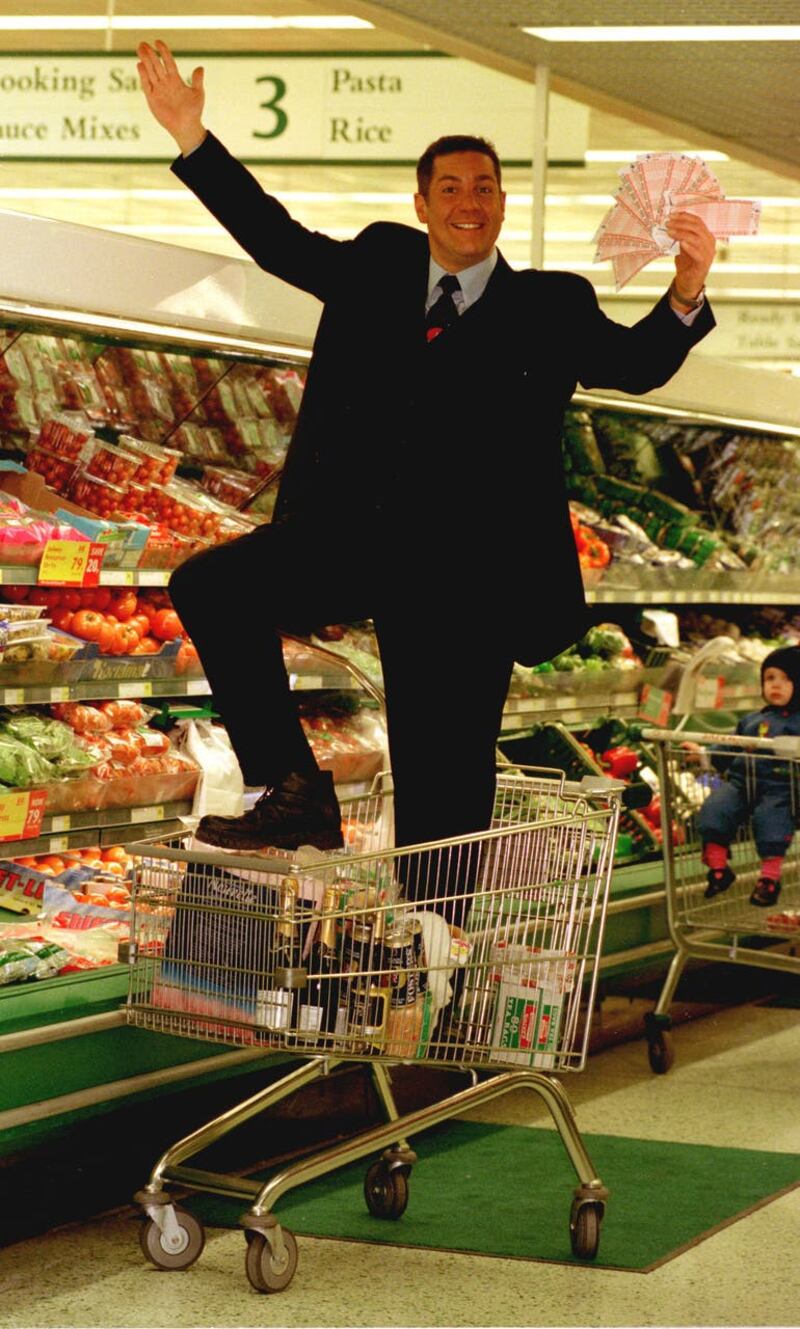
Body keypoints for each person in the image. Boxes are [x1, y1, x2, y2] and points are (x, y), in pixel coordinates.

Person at [136, 41, 717, 880]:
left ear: (503, 205)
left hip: (467, 577)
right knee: (210, 583)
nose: (467, 201)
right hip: (348, 536)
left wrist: (687, 290)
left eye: (483, 187)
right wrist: (194, 139)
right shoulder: (377, 262)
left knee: (445, 783)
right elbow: (277, 240)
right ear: (421, 201)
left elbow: (635, 363)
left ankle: (434, 954)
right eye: (450, 186)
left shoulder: (551, 305)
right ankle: (295, 782)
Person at [697, 646, 800, 908]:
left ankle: (769, 879)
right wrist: (704, 755)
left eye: (786, 679)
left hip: (781, 786)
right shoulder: (753, 720)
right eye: (770, 678)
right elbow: (730, 746)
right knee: (714, 809)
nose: (776, 685)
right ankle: (719, 869)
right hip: (742, 782)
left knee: (772, 821)